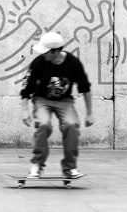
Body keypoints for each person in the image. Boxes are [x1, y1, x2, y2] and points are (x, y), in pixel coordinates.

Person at [19, 31, 94, 179]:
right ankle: (37, 165)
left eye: (46, 52)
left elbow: (85, 88)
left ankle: (70, 168)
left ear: (56, 51)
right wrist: (24, 111)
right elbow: (26, 88)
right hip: (42, 100)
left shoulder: (73, 63)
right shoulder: (39, 63)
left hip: (65, 101)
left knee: (71, 126)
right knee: (44, 125)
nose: (43, 55)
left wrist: (90, 113)